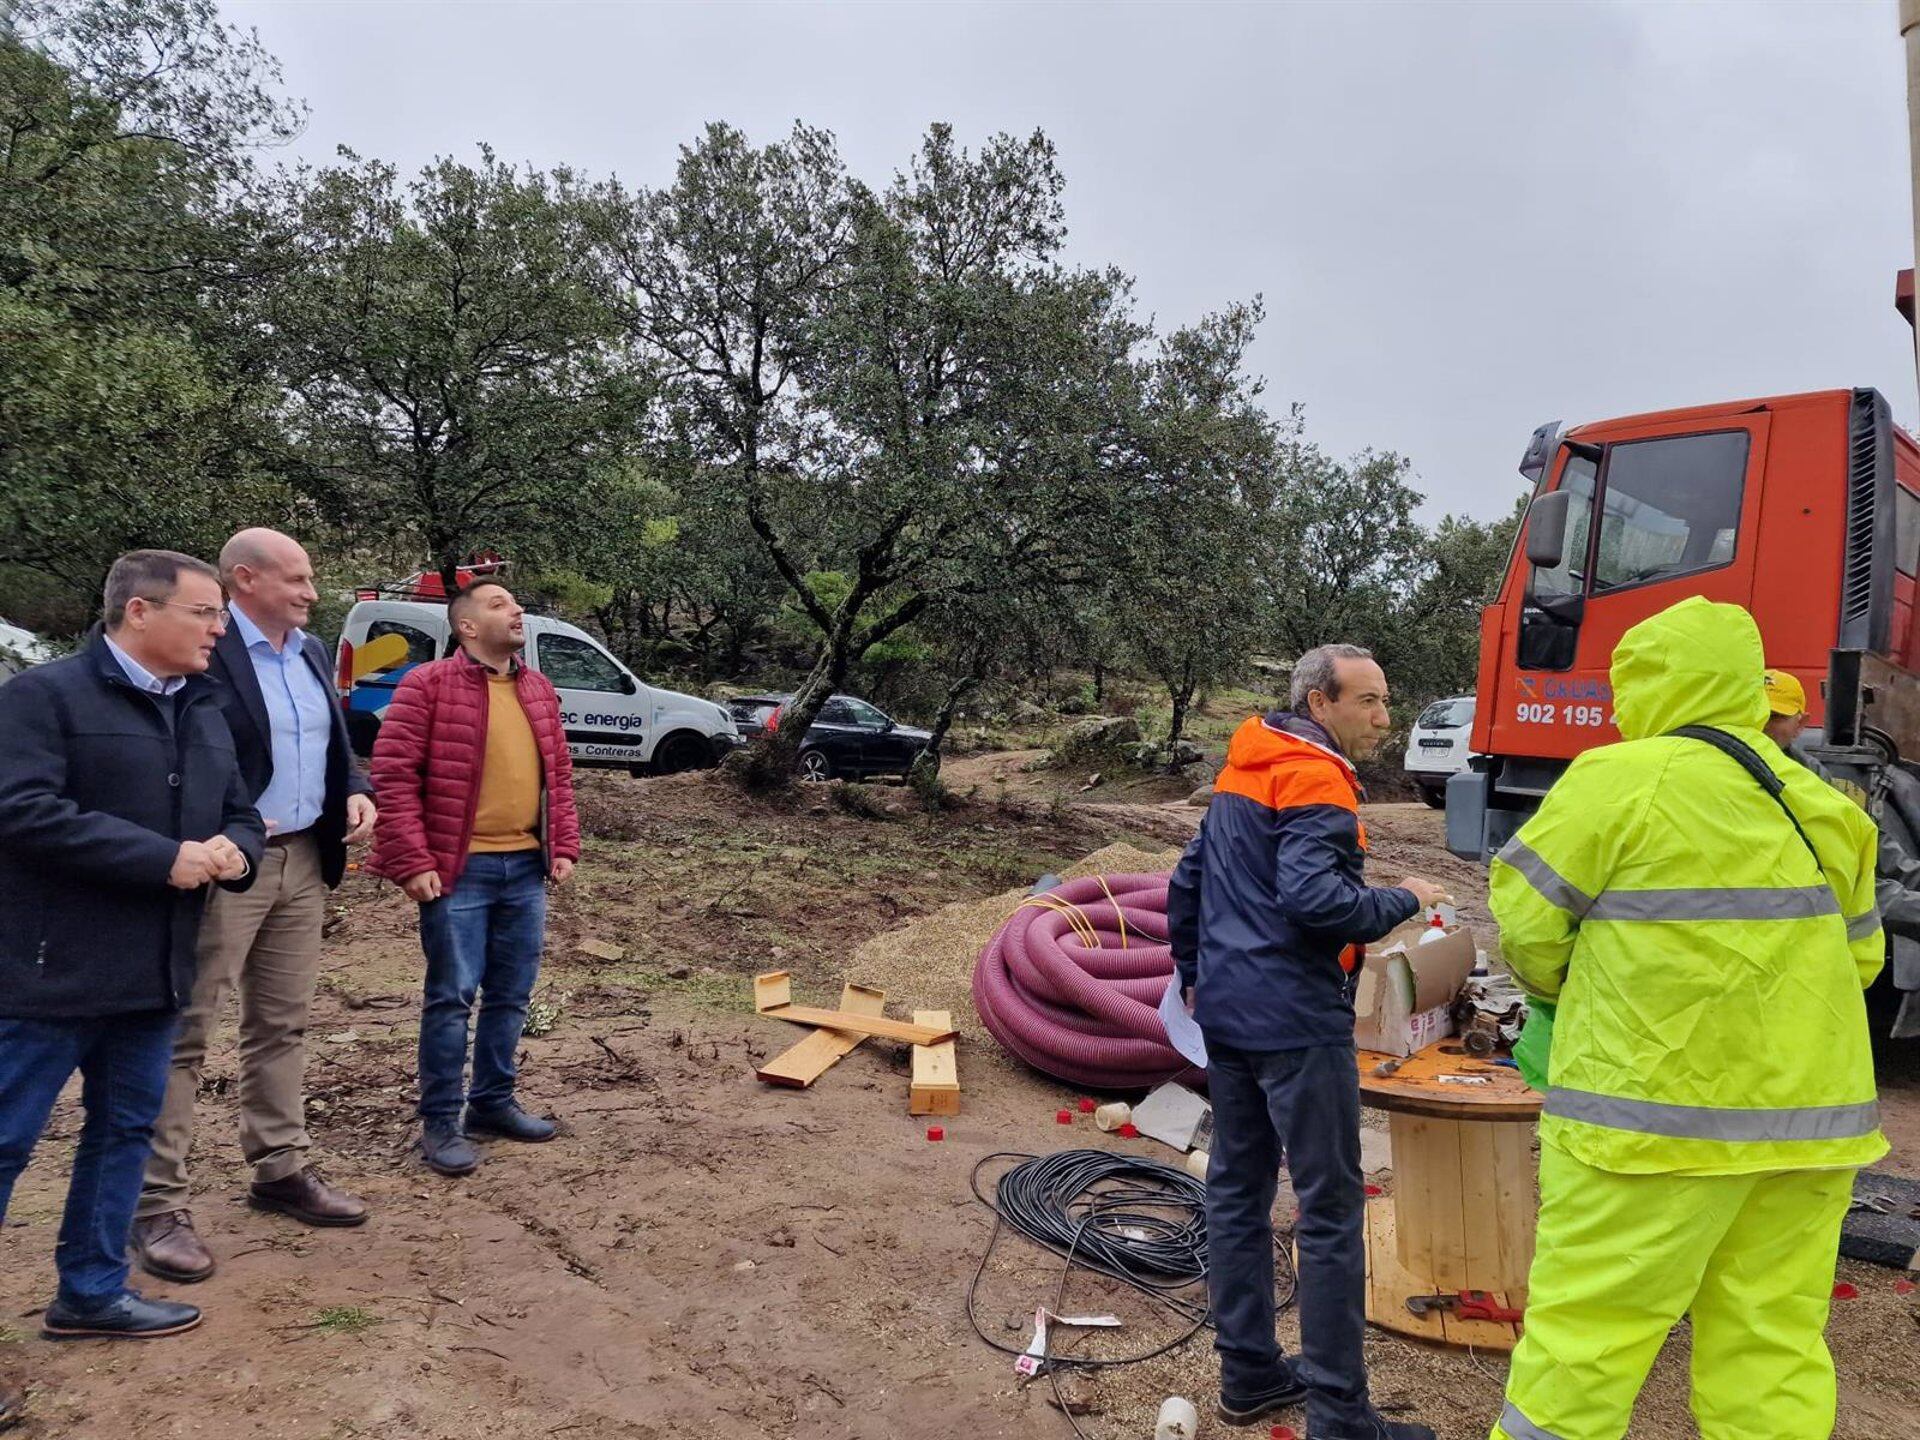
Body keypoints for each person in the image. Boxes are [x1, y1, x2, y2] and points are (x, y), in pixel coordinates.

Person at [1487, 598, 1885, 1440]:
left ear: (1645, 688)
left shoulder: (1616, 779)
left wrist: (1568, 991)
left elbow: (1526, 922)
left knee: (1583, 1352)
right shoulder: (1825, 807)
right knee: (1770, 1354)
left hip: (1647, 1133)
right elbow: (1860, 964)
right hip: (1809, 1134)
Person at [1169, 643, 1446, 1439]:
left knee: (1237, 1191)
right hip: (1295, 1021)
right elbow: (1317, 901)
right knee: (1328, 1211)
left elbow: (1189, 881)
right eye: (1368, 701)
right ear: (1319, 704)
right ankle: (1338, 1414)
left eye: (1384, 701)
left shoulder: (1243, 767)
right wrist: (1406, 897)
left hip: (1229, 1014)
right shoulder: (1316, 777)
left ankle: (1249, 1374)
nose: (1384, 720)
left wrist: (1195, 972)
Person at [0, 551, 265, 1355]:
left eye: (221, 614)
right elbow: (21, 809)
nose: (221, 629)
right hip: (49, 974)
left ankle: (90, 1290)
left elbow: (243, 810)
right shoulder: (42, 698)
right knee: (6, 1142)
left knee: (122, 1134)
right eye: (205, 613)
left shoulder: (203, 707)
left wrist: (236, 851)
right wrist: (162, 858)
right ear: (139, 612)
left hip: (154, 974)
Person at [131, 529, 377, 1285]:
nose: (310, 592)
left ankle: (279, 1168)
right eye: (298, 579)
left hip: (304, 858)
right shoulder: (200, 648)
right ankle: (156, 1205)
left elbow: (331, 736)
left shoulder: (307, 650)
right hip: (223, 866)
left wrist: (357, 785)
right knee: (185, 1031)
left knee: (283, 1021)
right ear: (247, 580)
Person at [367, 579, 580, 1176]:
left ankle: (491, 1103)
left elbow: (557, 776)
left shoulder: (538, 690)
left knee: (511, 996)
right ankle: (440, 1122)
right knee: (451, 999)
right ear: (465, 627)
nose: (517, 611)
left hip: (525, 869)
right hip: (459, 873)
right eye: (499, 605)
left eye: (516, 604)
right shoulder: (426, 686)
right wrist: (411, 859)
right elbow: (393, 774)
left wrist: (561, 844)